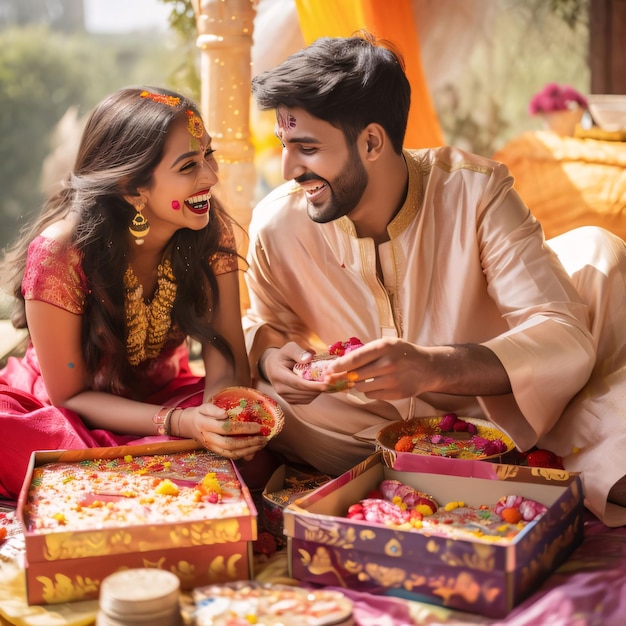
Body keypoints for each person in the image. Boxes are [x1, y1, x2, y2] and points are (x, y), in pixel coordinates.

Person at [243, 32, 626, 526]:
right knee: (265, 402)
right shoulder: (278, 222)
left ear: (372, 141)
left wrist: (434, 367)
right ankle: (514, 472)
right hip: (363, 423)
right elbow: (264, 322)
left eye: (307, 148)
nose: (289, 167)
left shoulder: (475, 192)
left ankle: (541, 459)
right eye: (284, 146)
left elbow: (562, 334)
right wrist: (275, 358)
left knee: (599, 253)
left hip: (498, 410)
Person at [0, 86, 271, 502]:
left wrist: (217, 420)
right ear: (131, 188)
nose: (211, 177)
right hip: (75, 411)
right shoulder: (60, 253)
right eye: (188, 166)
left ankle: (137, 480)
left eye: (208, 156)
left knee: (261, 428)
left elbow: (227, 352)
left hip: (170, 396)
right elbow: (69, 395)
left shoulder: (209, 227)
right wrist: (182, 425)